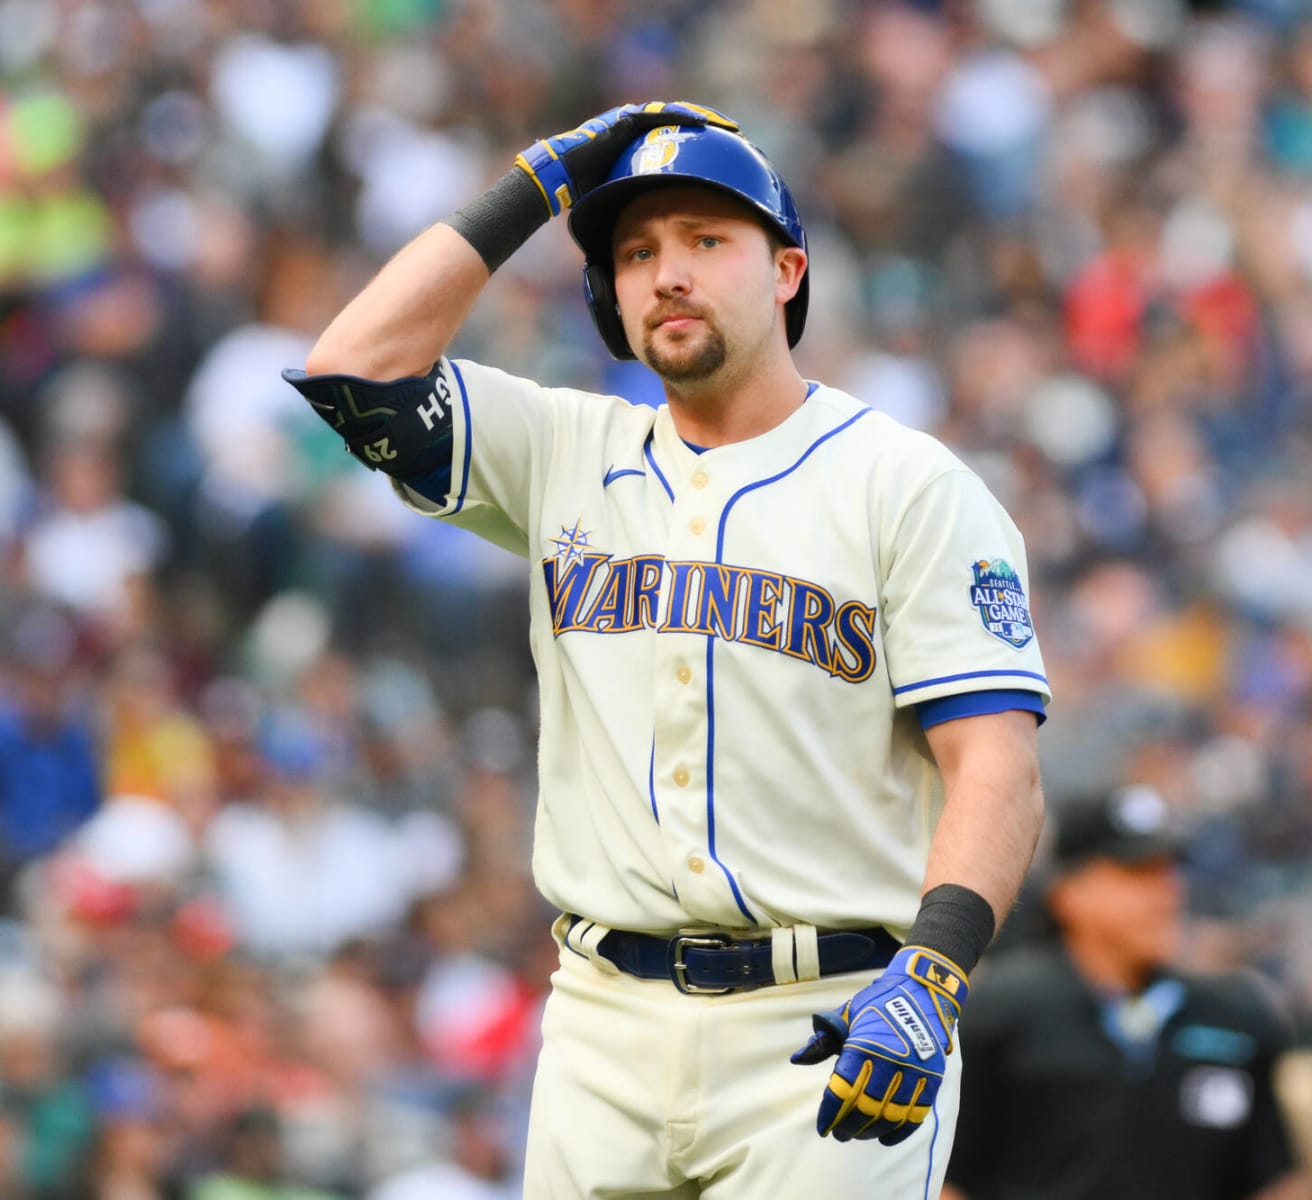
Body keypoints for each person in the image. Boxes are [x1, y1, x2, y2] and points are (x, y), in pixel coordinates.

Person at [285, 102, 1050, 1195]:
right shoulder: (562, 448)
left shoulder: (905, 483)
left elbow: (997, 767)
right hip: (601, 1024)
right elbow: (354, 370)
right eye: (635, 252)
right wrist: (540, 184)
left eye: (705, 240)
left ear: (786, 271)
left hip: (827, 1020)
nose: (666, 274)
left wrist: (932, 972)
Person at [943, 785, 1309, 1200]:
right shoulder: (998, 1011)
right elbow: (946, 1178)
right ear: (1068, 892)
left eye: (1170, 870)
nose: (1166, 892)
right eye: (1138, 873)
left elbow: (1272, 1182)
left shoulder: (1235, 1017)